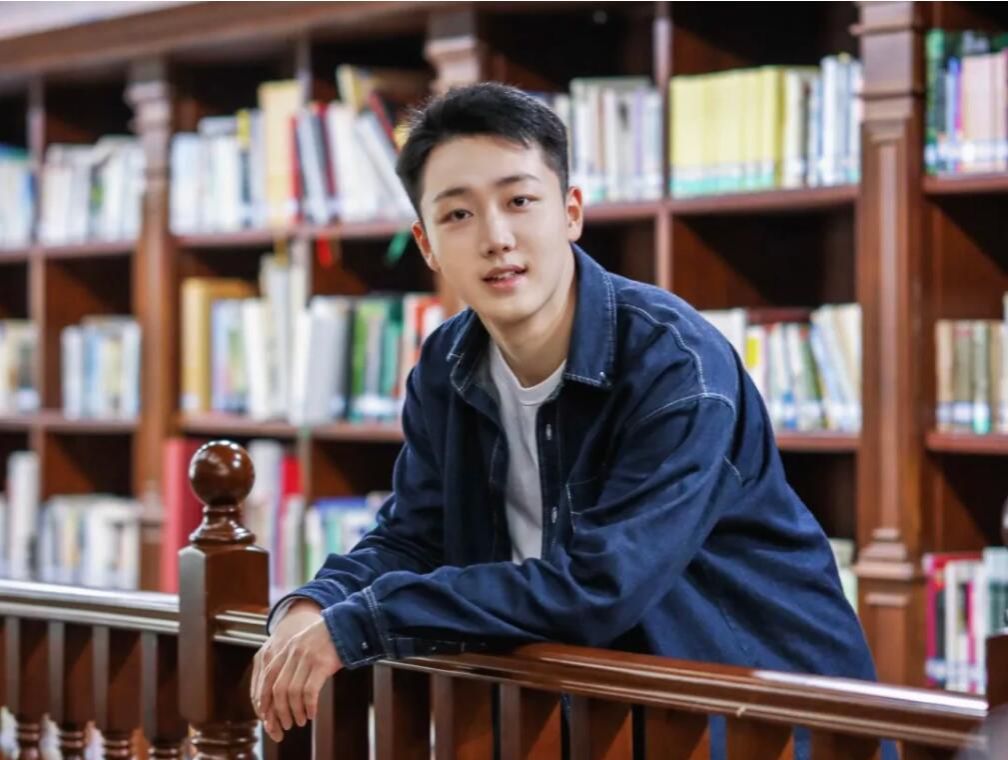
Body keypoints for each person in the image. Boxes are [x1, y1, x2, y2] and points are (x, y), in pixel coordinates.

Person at [250, 81, 882, 754]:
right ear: (426, 244)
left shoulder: (674, 365)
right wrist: (315, 605)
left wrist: (364, 623)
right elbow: (414, 536)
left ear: (571, 212)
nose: (496, 238)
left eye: (520, 201)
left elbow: (599, 586)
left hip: (767, 724)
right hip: (598, 715)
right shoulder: (445, 363)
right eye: (458, 214)